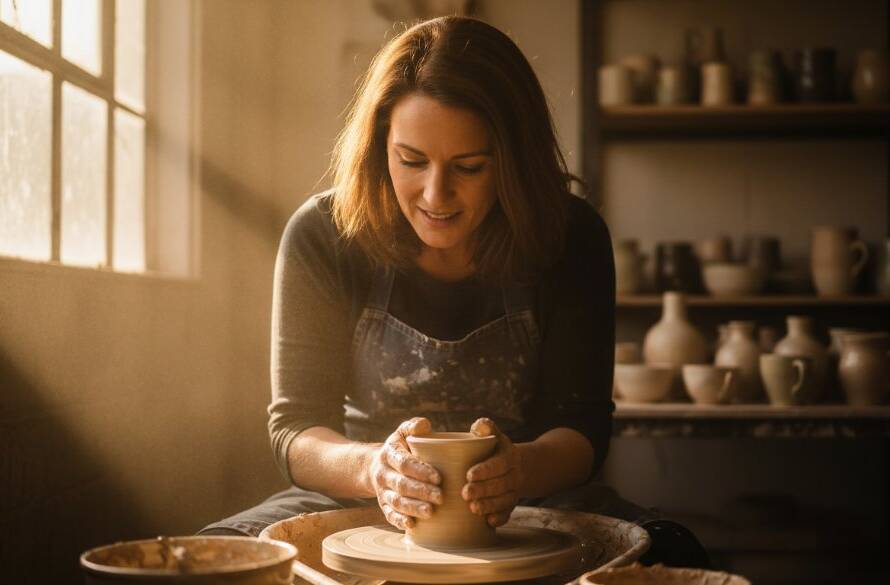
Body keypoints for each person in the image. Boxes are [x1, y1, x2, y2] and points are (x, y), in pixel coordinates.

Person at [199, 15, 708, 569]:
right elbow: (295, 428)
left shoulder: (570, 236)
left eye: (469, 166)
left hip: (531, 494)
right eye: (411, 161)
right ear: (378, 147)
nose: (435, 194)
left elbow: (583, 427)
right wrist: (375, 469)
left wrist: (519, 469)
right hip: (364, 491)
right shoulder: (324, 234)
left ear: (513, 161)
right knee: (216, 558)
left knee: (672, 554)